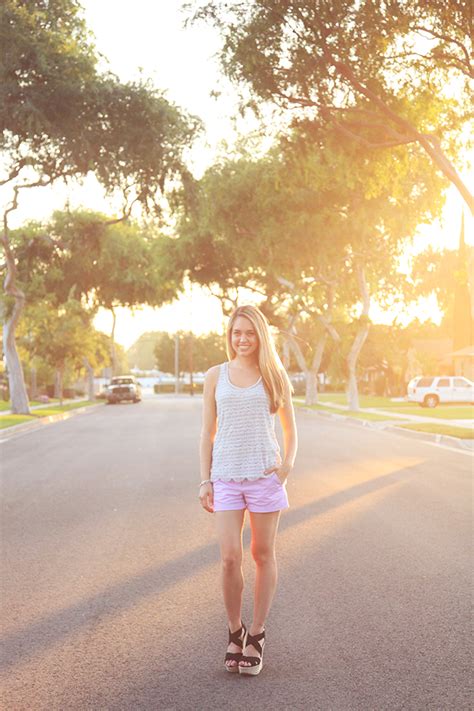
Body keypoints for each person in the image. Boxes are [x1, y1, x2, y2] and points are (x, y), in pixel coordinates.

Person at [199, 304, 298, 676]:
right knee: (228, 558)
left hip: (264, 478)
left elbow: (291, 431)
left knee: (262, 553)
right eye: (236, 332)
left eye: (250, 333)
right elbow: (206, 432)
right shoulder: (215, 375)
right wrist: (205, 479)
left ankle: (256, 633)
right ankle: (234, 629)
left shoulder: (274, 376)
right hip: (224, 477)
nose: (242, 339)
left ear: (260, 336)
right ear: (230, 336)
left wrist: (285, 467)